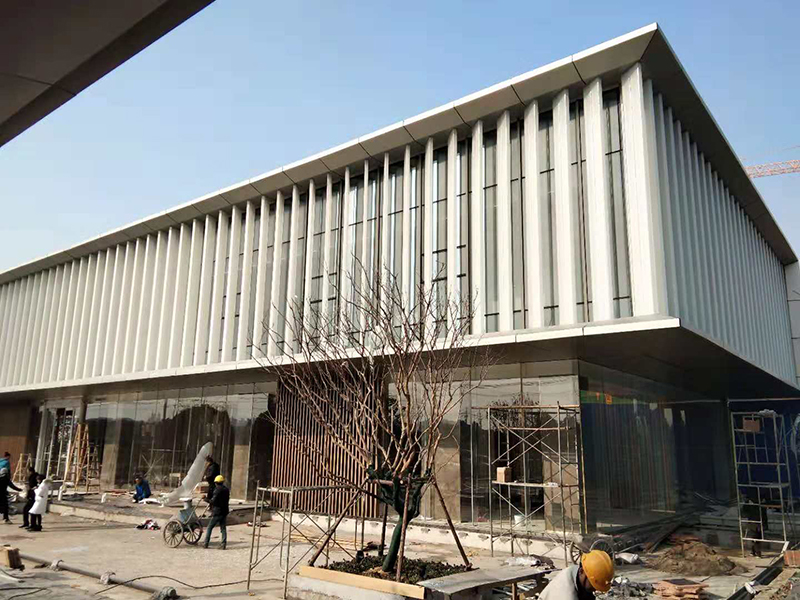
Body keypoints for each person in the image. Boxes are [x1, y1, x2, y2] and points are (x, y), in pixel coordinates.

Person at [539, 550, 614, 600]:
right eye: (593, 584)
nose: (595, 589)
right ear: (582, 572)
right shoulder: (567, 595)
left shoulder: (576, 571)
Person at [203, 475, 229, 550]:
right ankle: (223, 544)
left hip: (217, 512)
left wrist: (205, 499)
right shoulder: (226, 489)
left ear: (216, 483)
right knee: (223, 528)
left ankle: (206, 543)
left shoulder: (217, 490)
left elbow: (213, 501)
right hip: (224, 511)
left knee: (209, 527)